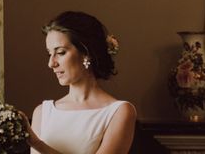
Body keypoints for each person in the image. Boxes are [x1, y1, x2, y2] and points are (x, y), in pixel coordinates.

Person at [22, 11, 136, 154]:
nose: (51, 63)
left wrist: (38, 144)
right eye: (49, 53)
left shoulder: (119, 112)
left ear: (86, 52)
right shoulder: (43, 112)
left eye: (61, 52)